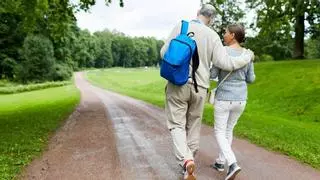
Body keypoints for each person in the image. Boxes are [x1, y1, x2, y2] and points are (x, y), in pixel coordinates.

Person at [160, 4, 254, 180]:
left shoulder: (181, 26)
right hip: (200, 87)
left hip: (177, 84)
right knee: (194, 124)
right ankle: (189, 161)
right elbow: (226, 63)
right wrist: (246, 57)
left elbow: (164, 52)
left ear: (198, 13)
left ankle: (186, 161)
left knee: (177, 125)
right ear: (211, 19)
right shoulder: (212, 36)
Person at [210, 24, 255, 180]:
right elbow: (251, 79)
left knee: (219, 131)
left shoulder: (221, 51)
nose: (224, 35)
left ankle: (233, 164)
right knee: (228, 130)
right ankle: (220, 162)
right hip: (241, 99)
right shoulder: (248, 55)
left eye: (226, 33)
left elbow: (213, 74)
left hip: (224, 98)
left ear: (233, 36)